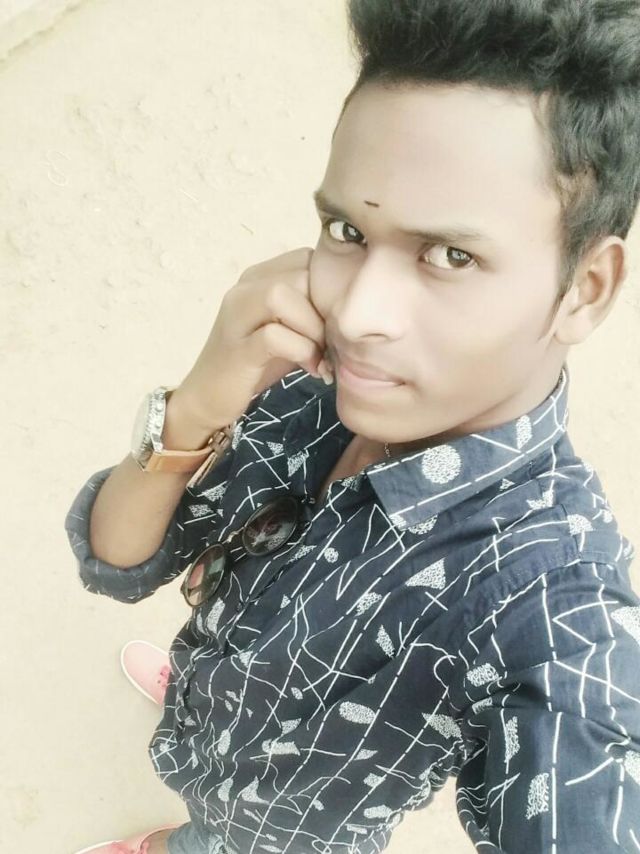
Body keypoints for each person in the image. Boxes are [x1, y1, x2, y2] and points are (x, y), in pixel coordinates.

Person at [65, 1, 640, 852]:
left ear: (585, 289)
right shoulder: (307, 373)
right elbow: (117, 563)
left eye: (451, 255)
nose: (359, 313)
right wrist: (197, 403)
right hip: (208, 699)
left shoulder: (549, 601)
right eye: (347, 230)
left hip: (277, 828)